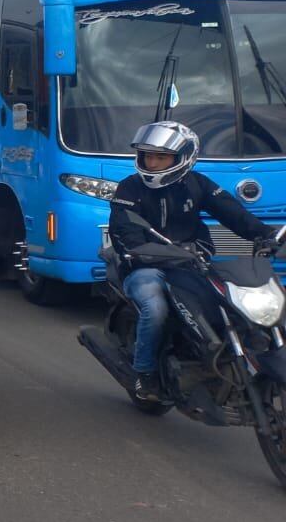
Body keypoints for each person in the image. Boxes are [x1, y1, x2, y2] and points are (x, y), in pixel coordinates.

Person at [108, 121, 277, 404]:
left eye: (161, 157)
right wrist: (145, 251)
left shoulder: (197, 184)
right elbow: (124, 232)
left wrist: (266, 234)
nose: (152, 162)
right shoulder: (129, 189)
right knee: (155, 307)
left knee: (231, 303)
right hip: (145, 268)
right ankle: (144, 373)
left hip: (191, 265)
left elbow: (233, 213)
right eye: (148, 155)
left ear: (183, 158)